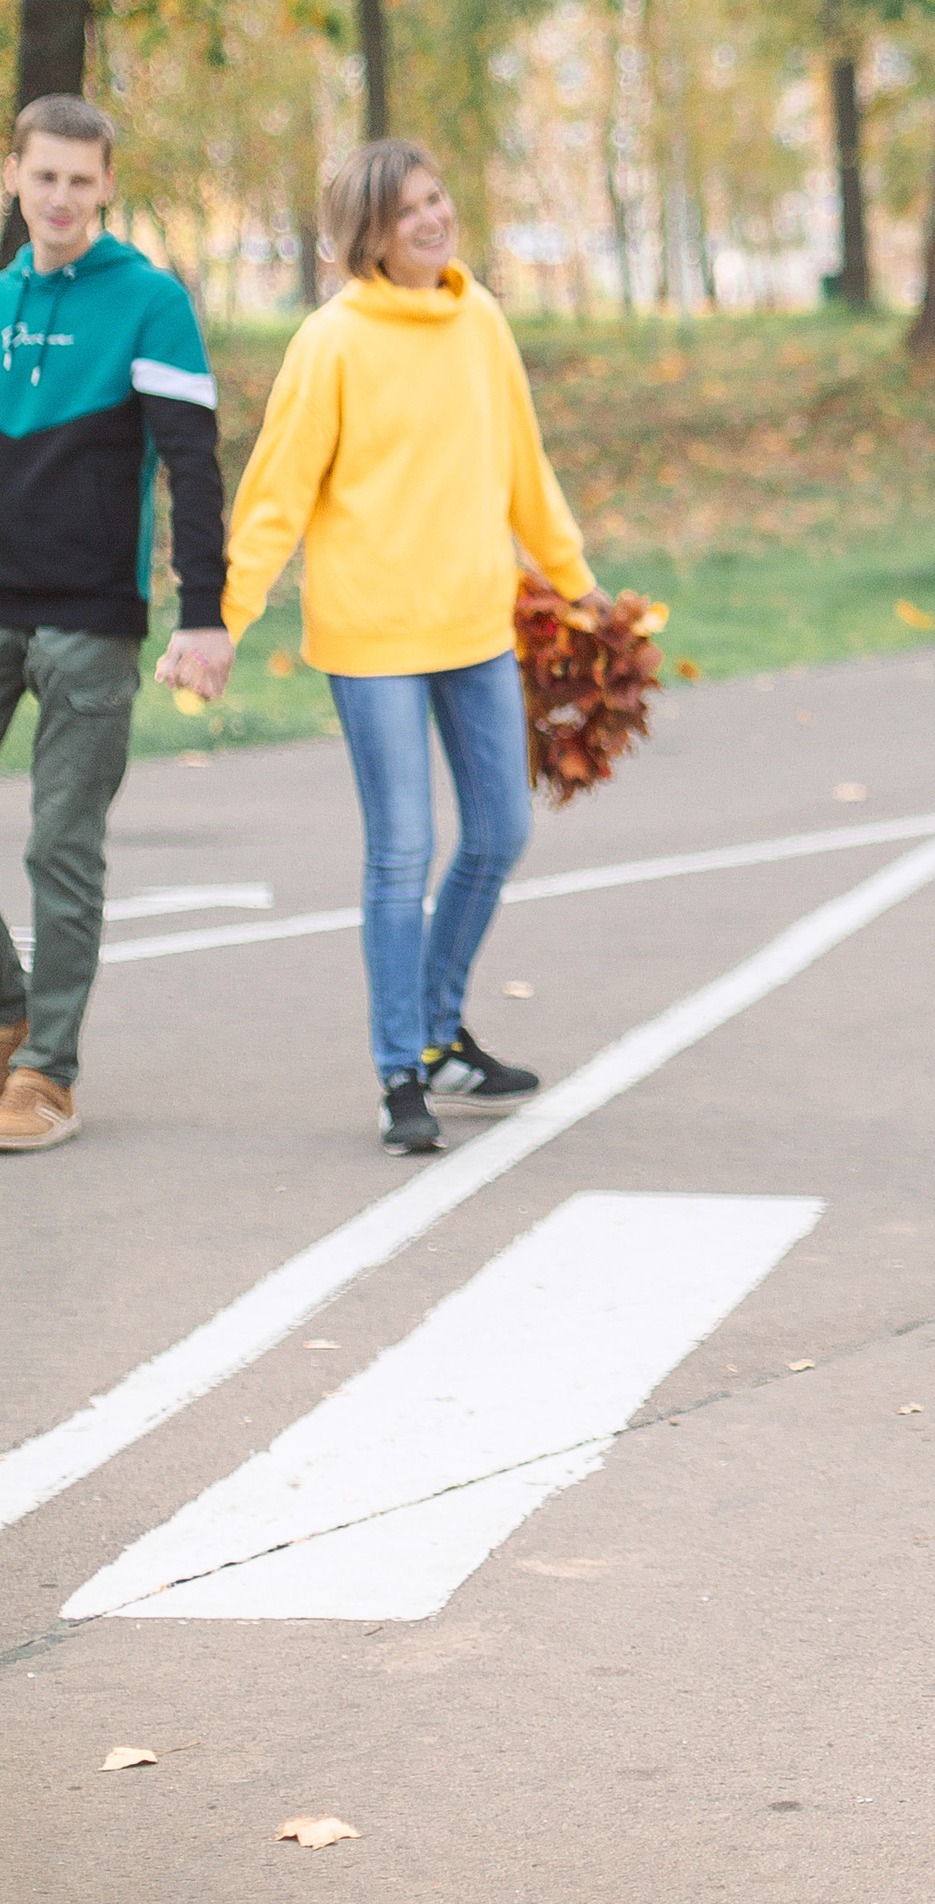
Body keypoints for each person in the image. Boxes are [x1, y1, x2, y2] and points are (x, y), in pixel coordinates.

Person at [221, 139, 605, 1157]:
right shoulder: (332, 342)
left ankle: (439, 1034)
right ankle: (401, 1068)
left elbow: (523, 465)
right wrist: (226, 613)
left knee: (500, 832)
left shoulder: (479, 319)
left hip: (476, 627)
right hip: (372, 637)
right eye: (405, 212)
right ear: (368, 235)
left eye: (436, 199)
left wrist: (574, 583)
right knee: (401, 851)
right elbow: (277, 491)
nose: (430, 221)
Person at [0, 97, 234, 1152]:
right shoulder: (0, 295)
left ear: (105, 187)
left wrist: (204, 613)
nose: (60, 198)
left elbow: (190, 462)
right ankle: (11, 1010)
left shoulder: (148, 301)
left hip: (92, 615)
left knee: (61, 842)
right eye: (43, 176)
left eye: (80, 181)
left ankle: (47, 1072)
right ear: (14, 175)